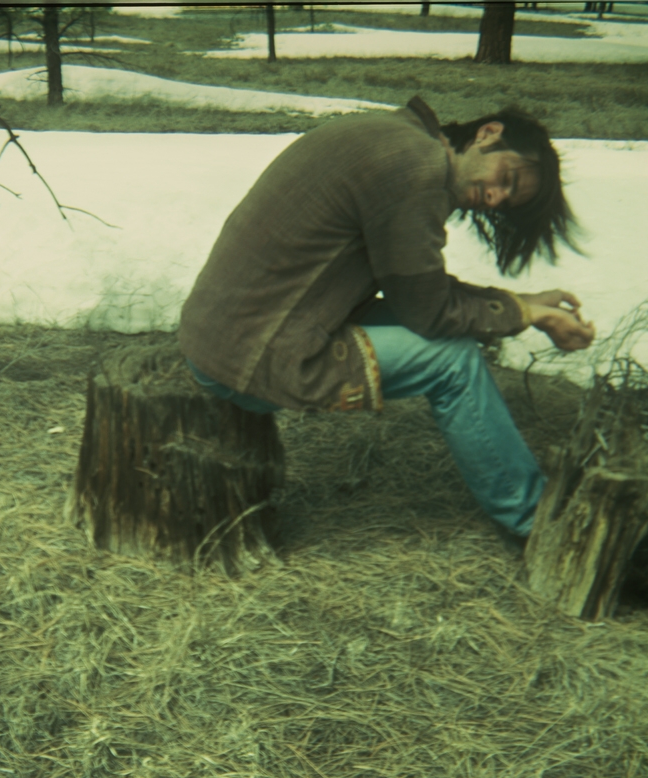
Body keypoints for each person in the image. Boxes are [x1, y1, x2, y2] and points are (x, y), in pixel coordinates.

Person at [178, 96, 595, 547]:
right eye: (506, 178)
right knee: (453, 360)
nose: (495, 197)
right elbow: (429, 312)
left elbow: (418, 289)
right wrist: (522, 312)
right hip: (254, 355)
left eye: (507, 199)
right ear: (488, 133)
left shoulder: (397, 135)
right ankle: (535, 523)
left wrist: (522, 304)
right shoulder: (417, 170)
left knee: (456, 331)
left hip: (231, 330)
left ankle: (529, 508)